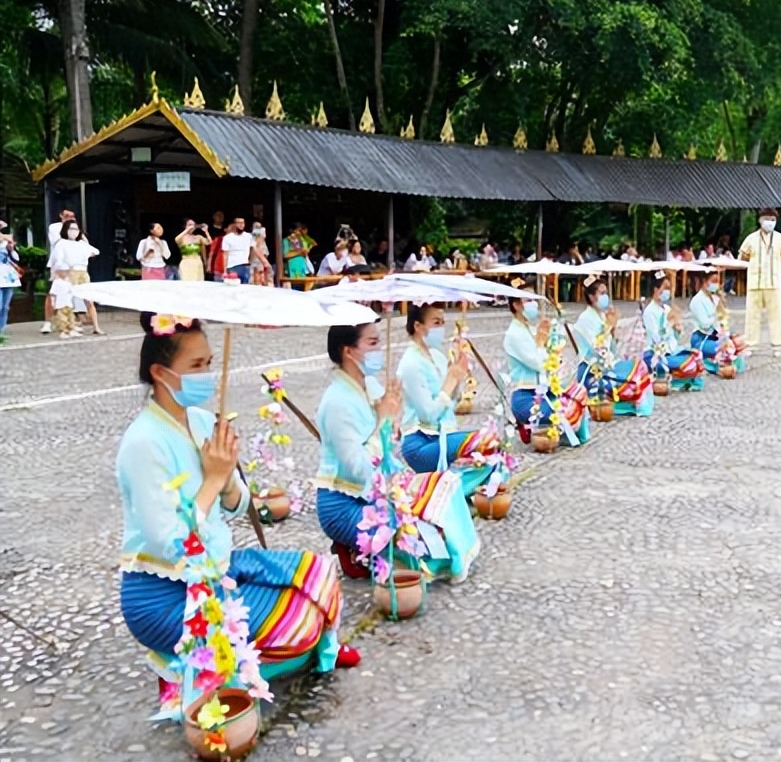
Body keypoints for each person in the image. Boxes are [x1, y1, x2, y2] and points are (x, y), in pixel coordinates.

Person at [118, 316, 357, 720]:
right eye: (196, 367)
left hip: (218, 568)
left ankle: (310, 648)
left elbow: (235, 504)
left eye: (209, 363)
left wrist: (227, 480)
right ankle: (186, 672)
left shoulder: (198, 420)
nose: (207, 375)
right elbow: (171, 542)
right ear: (160, 373)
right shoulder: (143, 443)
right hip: (163, 592)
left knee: (317, 574)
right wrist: (212, 480)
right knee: (294, 624)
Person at [316, 322, 480, 583]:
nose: (379, 349)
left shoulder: (370, 387)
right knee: (420, 543)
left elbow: (389, 447)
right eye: (372, 343)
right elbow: (358, 469)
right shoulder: (337, 401)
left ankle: (379, 551)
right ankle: (361, 550)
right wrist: (383, 420)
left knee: (445, 484)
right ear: (349, 351)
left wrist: (392, 424)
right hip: (347, 501)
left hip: (381, 486)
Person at [397, 303, 505, 493]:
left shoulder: (437, 357)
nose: (440, 328)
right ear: (418, 326)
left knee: (494, 447)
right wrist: (450, 381)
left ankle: (456, 488)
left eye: (442, 323)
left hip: (443, 435)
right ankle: (446, 492)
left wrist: (456, 374)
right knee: (485, 441)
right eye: (436, 322)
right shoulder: (410, 364)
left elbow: (451, 402)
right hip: (421, 443)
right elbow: (428, 414)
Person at [503, 284, 589, 444]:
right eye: (528, 300)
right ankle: (536, 426)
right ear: (516, 305)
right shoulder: (514, 334)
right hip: (526, 397)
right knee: (564, 408)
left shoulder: (530, 328)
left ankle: (560, 430)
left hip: (546, 392)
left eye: (534, 300)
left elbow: (552, 360)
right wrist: (541, 343)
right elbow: (539, 364)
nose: (533, 305)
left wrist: (552, 338)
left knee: (579, 392)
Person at [573, 276, 655, 416]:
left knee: (639, 366)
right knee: (632, 375)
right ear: (591, 297)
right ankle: (626, 398)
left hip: (607, 364)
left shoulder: (602, 316)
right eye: (602, 293)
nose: (606, 297)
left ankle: (631, 399)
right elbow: (597, 348)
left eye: (606, 293)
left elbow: (611, 347)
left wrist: (613, 329)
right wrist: (609, 325)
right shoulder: (585, 319)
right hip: (593, 370)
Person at [737, 207, 781, 357]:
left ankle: (778, 346)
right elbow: (743, 258)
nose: (769, 222)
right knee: (752, 315)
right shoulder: (751, 238)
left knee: (776, 315)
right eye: (767, 219)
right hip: (755, 282)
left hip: (774, 282)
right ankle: (750, 345)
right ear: (760, 220)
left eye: (773, 220)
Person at [642, 272, 705, 391]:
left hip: (671, 349)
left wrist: (677, 329)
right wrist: (669, 323)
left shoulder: (667, 309)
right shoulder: (649, 312)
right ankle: (675, 377)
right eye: (665, 288)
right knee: (685, 363)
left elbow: (674, 338)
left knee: (696, 357)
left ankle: (680, 378)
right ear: (656, 289)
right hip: (656, 353)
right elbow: (656, 338)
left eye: (669, 289)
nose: (668, 292)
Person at [49, 218, 104, 336]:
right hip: (70, 271)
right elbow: (58, 260)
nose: (74, 232)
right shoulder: (61, 243)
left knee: (89, 300)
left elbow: (96, 251)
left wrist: (83, 239)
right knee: (66, 301)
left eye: (76, 229)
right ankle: (67, 327)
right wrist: (64, 271)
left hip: (83, 272)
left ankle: (96, 326)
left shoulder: (82, 244)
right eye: (71, 229)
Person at [687, 270, 747, 375]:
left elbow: (723, 320)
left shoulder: (715, 298)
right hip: (702, 338)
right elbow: (705, 324)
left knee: (739, 342)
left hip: (717, 336)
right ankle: (711, 363)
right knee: (725, 347)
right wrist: (716, 315)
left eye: (718, 282)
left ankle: (725, 361)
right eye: (714, 281)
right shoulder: (697, 301)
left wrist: (728, 332)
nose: (716, 285)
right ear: (705, 282)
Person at [41, 208, 76, 334]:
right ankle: (48, 322)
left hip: (72, 264)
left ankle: (68, 322)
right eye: (67, 215)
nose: (69, 217)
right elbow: (59, 240)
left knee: (69, 293)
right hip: (58, 265)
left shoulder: (75, 228)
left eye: (72, 216)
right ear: (61, 215)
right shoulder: (55, 227)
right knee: (52, 293)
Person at [221, 217, 265, 285]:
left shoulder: (248, 236)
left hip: (245, 266)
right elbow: (225, 255)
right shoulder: (227, 238)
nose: (241, 225)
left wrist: (264, 262)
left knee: (244, 288)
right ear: (234, 224)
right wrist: (224, 271)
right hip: (232, 267)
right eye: (239, 223)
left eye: (242, 223)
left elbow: (256, 248)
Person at [0, 221, 19, 341]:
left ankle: (1, 330)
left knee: (5, 306)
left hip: (7, 276)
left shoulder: (6, 241)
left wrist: (11, 249)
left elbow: (16, 258)